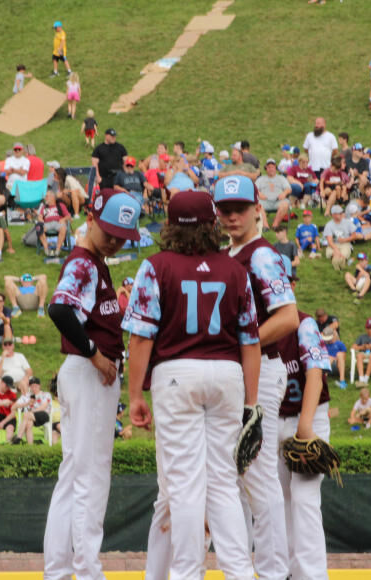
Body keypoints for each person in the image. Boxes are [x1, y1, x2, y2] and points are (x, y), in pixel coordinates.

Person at [124, 189, 260, 580]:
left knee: (184, 485)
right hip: (227, 373)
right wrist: (251, 404)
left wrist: (135, 395)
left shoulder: (156, 266)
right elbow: (250, 341)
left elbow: (140, 337)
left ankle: (186, 573)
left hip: (176, 373)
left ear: (169, 226)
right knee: (223, 482)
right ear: (211, 225)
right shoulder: (235, 268)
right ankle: (239, 571)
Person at [43, 189, 141, 580]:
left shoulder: (94, 260)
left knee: (74, 474)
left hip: (81, 372)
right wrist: (96, 354)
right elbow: (59, 308)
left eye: (123, 234)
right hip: (88, 372)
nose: (116, 239)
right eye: (111, 230)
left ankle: (59, 570)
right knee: (91, 477)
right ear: (91, 219)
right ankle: (86, 572)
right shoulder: (84, 261)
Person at [212, 176, 299, 579]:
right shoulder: (230, 253)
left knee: (259, 479)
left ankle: (272, 573)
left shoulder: (261, 256)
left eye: (239, 208)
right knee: (244, 478)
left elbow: (287, 317)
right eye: (224, 208)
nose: (231, 215)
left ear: (256, 209)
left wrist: (241, 344)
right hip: (246, 369)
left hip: (262, 369)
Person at [275, 308, 332, 579]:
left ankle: (312, 575)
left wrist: (305, 426)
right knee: (279, 498)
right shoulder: (256, 320)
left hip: (309, 415)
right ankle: (287, 571)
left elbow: (315, 373)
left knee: (304, 497)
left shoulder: (305, 323)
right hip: (275, 419)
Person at [11, 377, 53, 445]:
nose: (34, 388)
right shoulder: (28, 396)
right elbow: (14, 407)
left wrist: (31, 412)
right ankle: (30, 445)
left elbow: (43, 407)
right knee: (29, 424)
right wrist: (27, 403)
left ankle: (19, 437)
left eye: (36, 386)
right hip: (32, 417)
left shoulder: (46, 394)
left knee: (26, 415)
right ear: (30, 387)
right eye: (32, 386)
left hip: (44, 415)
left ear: (39, 385)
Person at [256, 158, 292, 226]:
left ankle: (275, 225)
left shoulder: (281, 178)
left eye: (272, 167)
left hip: (278, 201)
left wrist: (284, 193)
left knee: (285, 204)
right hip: (264, 201)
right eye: (269, 167)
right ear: (266, 168)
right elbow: (254, 189)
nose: (271, 169)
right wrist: (259, 193)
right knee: (256, 205)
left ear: (275, 168)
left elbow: (289, 189)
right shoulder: (261, 179)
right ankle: (265, 226)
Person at [36, 190, 72, 257]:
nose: (45, 198)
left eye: (47, 196)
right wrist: (40, 219)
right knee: (39, 228)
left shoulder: (60, 205)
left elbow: (69, 216)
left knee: (63, 228)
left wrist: (63, 219)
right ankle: (46, 248)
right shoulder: (44, 207)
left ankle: (57, 250)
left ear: (52, 197)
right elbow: (40, 216)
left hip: (58, 223)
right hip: (47, 224)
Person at [323, 205, 356, 270]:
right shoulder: (329, 225)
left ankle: (339, 260)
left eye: (342, 213)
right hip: (333, 244)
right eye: (340, 213)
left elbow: (354, 236)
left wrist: (345, 240)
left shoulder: (348, 222)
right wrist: (336, 249)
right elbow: (329, 241)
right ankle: (338, 261)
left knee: (344, 253)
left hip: (345, 243)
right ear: (334, 215)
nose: (342, 214)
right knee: (331, 252)